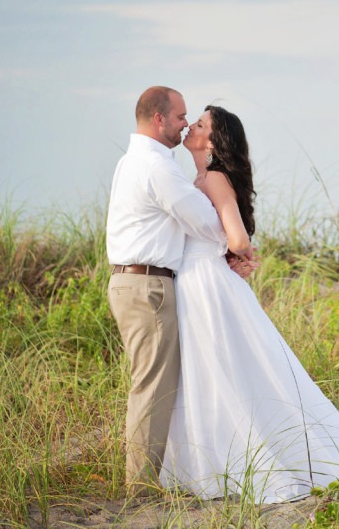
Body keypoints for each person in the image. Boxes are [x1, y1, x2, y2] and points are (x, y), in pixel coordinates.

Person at [159, 105, 339, 503]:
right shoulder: (199, 178)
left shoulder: (212, 178)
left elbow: (237, 237)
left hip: (208, 287)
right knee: (216, 370)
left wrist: (237, 255)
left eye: (199, 124)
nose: (191, 127)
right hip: (201, 281)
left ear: (213, 142)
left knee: (220, 368)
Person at [106, 87, 252, 495]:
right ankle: (140, 486)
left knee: (168, 381)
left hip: (141, 281)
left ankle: (173, 470)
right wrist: (233, 246)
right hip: (147, 285)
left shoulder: (132, 161)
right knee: (153, 386)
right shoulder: (158, 167)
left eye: (195, 120)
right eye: (182, 116)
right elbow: (204, 221)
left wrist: (230, 245)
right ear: (158, 120)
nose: (186, 123)